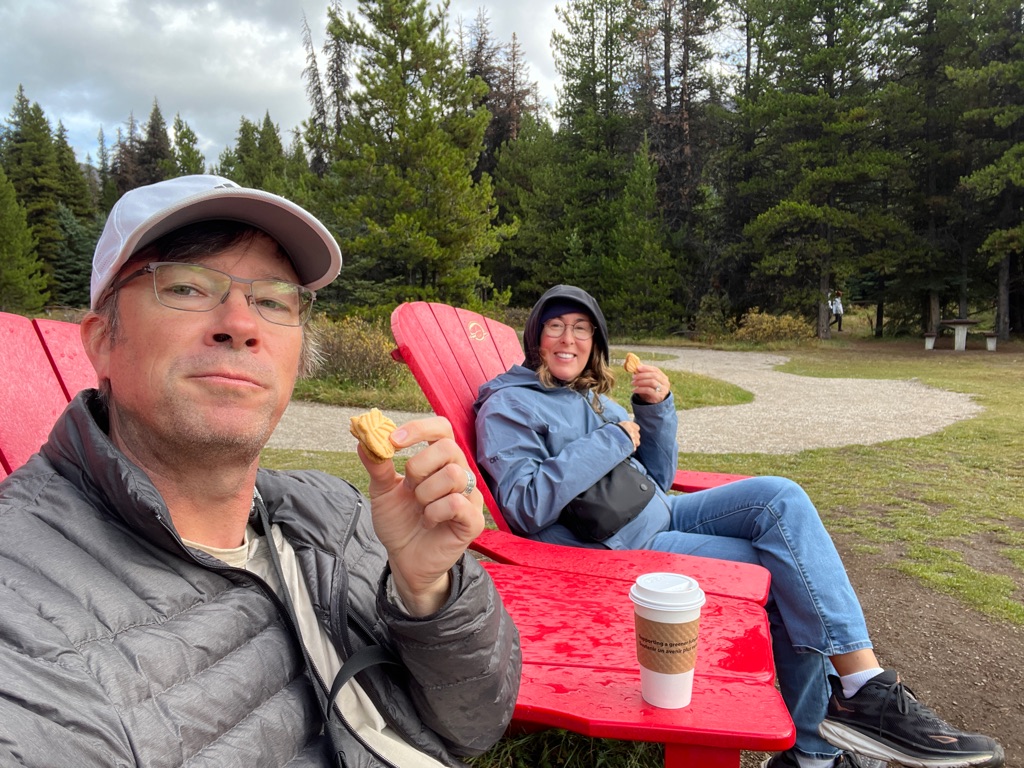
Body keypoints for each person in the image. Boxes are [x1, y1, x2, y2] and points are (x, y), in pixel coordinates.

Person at [0, 175, 521, 767]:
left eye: (272, 301)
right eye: (187, 287)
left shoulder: (336, 512)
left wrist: (427, 592)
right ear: (101, 342)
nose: (240, 324)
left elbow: (475, 724)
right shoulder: (24, 607)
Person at [474, 284, 1003, 768]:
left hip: (662, 512)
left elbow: (658, 477)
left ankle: (860, 686)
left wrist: (655, 410)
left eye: (581, 328)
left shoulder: (589, 395)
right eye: (556, 327)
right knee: (786, 578)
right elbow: (524, 505)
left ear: (596, 342)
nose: (569, 339)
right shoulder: (508, 405)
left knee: (781, 497)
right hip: (618, 549)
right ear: (535, 337)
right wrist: (610, 440)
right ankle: (820, 746)